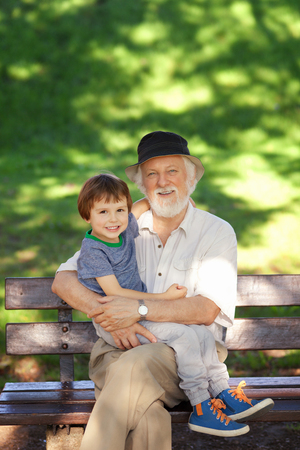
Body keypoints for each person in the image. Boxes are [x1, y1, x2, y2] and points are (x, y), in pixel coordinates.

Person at [52, 131, 274, 450]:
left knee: (135, 368)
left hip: (184, 361)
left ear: (191, 178)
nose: (162, 181)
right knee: (146, 414)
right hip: (115, 351)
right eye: (152, 174)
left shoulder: (216, 232)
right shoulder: (121, 228)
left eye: (172, 171)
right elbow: (64, 280)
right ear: (142, 185)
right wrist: (116, 317)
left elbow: (206, 309)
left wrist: (138, 311)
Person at [76, 172, 251, 437]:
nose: (113, 218)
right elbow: (83, 286)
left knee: (148, 407)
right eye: (152, 175)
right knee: (150, 359)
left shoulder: (123, 228)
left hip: (154, 340)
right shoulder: (96, 247)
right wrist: (162, 299)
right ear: (87, 216)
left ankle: (221, 391)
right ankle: (202, 407)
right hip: (121, 328)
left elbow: (134, 208)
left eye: (119, 210)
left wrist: (154, 199)